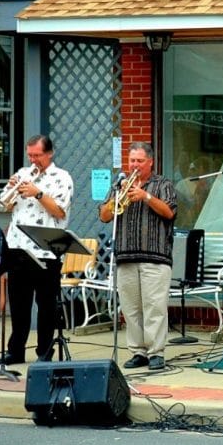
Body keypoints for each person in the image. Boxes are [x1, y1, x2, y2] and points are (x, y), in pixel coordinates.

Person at [98, 142, 178, 371]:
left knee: (154, 308)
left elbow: (170, 212)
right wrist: (116, 198)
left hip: (155, 257)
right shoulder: (119, 185)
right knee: (131, 309)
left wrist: (145, 196)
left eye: (139, 161)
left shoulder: (163, 184)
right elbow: (104, 216)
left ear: (150, 162)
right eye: (132, 160)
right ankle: (138, 352)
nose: (135, 165)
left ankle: (156, 353)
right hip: (126, 256)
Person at [0, 135, 74, 364]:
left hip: (46, 249)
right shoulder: (23, 173)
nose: (33, 160)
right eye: (30, 155)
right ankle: (16, 350)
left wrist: (38, 193)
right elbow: (5, 205)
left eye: (37, 155)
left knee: (46, 304)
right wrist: (12, 190)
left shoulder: (62, 177)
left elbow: (60, 211)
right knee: (19, 303)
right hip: (18, 246)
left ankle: (44, 350)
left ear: (50, 153)